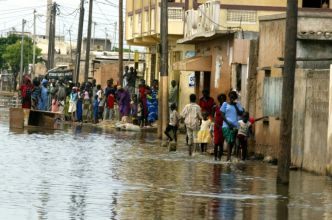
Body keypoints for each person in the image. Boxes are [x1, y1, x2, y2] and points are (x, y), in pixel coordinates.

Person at [221, 91, 244, 161]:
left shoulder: (238, 104)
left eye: (233, 96)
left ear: (235, 97)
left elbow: (240, 113)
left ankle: (229, 157)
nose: (232, 97)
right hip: (226, 125)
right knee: (229, 140)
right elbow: (222, 115)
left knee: (232, 141)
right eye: (230, 96)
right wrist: (228, 123)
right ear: (229, 97)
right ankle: (228, 158)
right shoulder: (225, 104)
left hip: (235, 126)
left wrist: (235, 105)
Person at [214, 94, 227, 161]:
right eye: (221, 99)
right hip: (216, 126)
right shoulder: (216, 107)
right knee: (216, 142)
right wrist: (216, 124)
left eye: (223, 99)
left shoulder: (227, 107)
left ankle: (219, 158)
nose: (222, 100)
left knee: (221, 143)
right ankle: (215, 158)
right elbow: (213, 117)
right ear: (219, 100)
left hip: (224, 126)